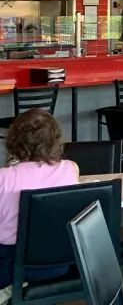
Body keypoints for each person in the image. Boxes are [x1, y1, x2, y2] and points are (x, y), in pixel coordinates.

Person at [0, 109, 79, 289]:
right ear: (55, 140)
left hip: (10, 268)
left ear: (13, 139)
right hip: (60, 263)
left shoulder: (3, 178)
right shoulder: (70, 168)